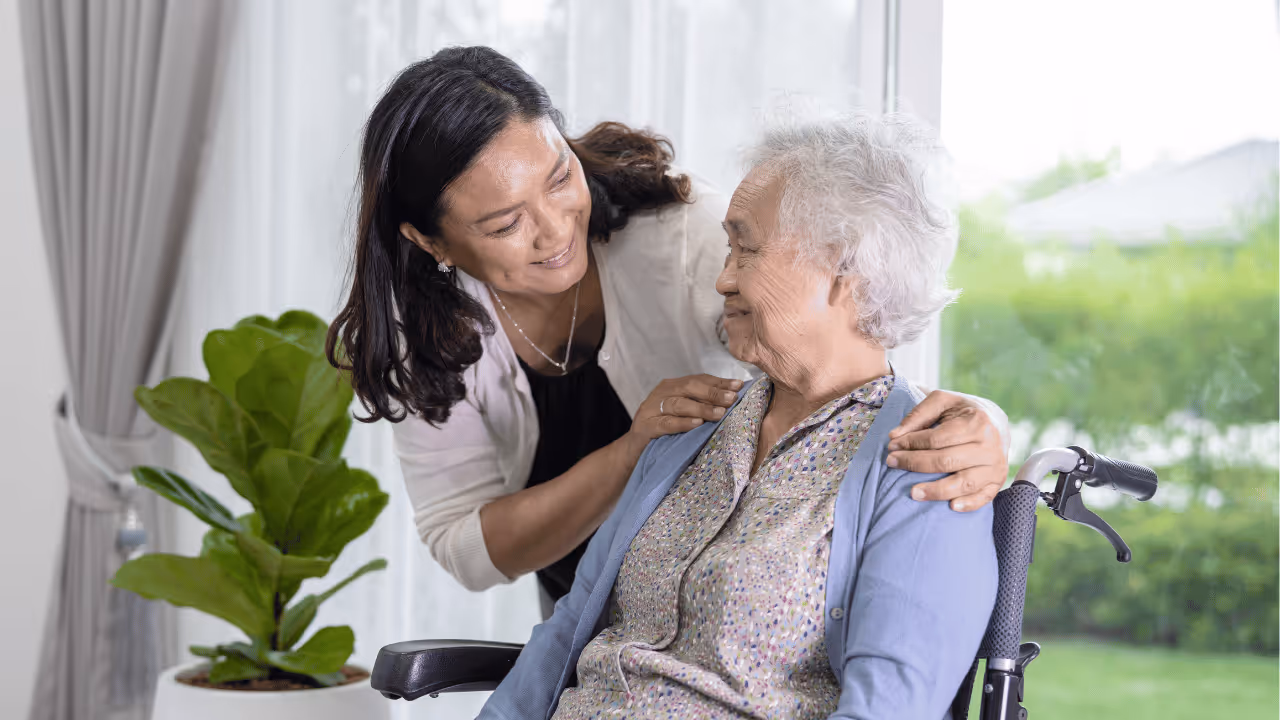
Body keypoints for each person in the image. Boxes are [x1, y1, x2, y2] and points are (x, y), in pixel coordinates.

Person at [326, 46, 1009, 615]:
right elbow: (467, 547)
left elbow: (859, 353)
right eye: (505, 224)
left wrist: (979, 424)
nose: (556, 227)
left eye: (560, 175)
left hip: (733, 611)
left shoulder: (691, 241)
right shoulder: (424, 332)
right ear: (430, 242)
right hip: (597, 627)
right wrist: (632, 454)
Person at [480, 110, 997, 720]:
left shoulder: (925, 465)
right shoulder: (691, 431)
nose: (723, 278)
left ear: (845, 274)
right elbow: (568, 626)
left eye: (746, 249)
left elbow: (890, 708)